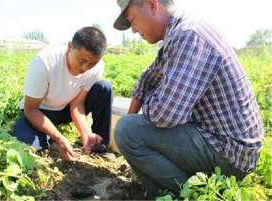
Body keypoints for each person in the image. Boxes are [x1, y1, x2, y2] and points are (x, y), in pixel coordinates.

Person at [113, 0, 264, 198]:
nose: (133, 30)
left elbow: (165, 116)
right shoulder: (177, 34)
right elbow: (148, 78)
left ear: (152, 4)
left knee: (128, 131)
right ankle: (165, 191)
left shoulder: (189, 35)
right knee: (130, 127)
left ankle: (190, 193)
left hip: (230, 153)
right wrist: (140, 107)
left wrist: (141, 112)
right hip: (219, 141)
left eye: (132, 20)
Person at [13, 27, 112, 161]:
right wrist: (58, 137)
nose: (85, 68)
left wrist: (85, 134)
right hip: (41, 111)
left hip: (65, 108)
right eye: (82, 61)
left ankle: (96, 145)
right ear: (70, 47)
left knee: (104, 88)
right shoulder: (44, 62)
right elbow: (30, 109)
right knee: (29, 145)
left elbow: (77, 103)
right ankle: (49, 137)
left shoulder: (97, 67)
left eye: (92, 63)